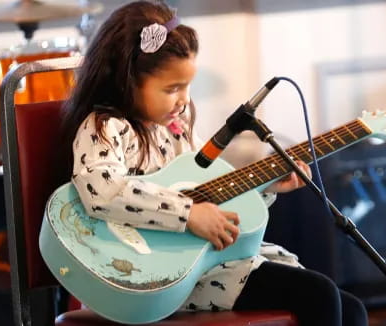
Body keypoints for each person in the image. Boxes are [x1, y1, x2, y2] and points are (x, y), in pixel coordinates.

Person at [61, 1, 368, 325]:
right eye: (172, 88)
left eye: (187, 85)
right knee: (317, 295)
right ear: (126, 79)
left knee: (352, 310)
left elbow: (209, 198)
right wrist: (188, 214)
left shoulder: (173, 129)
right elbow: (103, 192)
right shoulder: (104, 128)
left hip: (206, 260)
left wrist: (263, 187)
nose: (183, 99)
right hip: (157, 275)